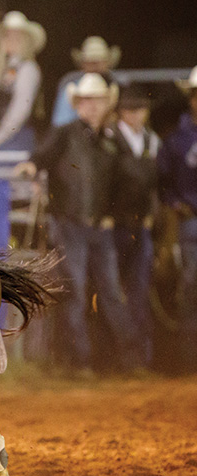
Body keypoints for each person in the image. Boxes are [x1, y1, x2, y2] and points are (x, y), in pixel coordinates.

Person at [15, 73, 137, 374]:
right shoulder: (65, 133)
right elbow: (41, 157)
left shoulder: (111, 138)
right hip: (69, 223)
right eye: (86, 101)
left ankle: (121, 360)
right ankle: (80, 361)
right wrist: (31, 166)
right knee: (79, 291)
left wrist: (114, 215)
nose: (92, 106)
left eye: (96, 100)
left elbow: (127, 180)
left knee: (108, 291)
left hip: (98, 226)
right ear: (79, 104)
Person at [108, 85, 160, 366]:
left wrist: (151, 215)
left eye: (139, 109)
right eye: (130, 109)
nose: (135, 114)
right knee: (114, 291)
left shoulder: (151, 141)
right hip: (116, 225)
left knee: (138, 288)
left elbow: (155, 187)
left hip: (140, 225)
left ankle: (139, 359)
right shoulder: (110, 139)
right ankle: (120, 358)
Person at [158, 66, 197, 371]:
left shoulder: (176, 139)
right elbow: (164, 183)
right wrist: (174, 203)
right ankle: (188, 360)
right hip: (189, 222)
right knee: (190, 284)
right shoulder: (176, 140)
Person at [0, 11, 46, 152]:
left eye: (17, 36)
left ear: (26, 40)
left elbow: (20, 109)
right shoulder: (1, 69)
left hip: (16, 140)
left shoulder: (28, 68)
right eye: (7, 35)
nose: (11, 39)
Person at [52, 36, 121, 128]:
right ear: (83, 65)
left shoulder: (115, 86)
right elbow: (61, 123)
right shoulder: (71, 87)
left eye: (99, 62)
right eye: (90, 63)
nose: (95, 67)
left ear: (107, 64)